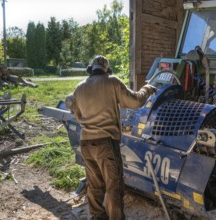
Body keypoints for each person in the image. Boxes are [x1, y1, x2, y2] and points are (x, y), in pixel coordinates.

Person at [65, 55, 156, 220]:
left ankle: (98, 218)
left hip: (85, 143)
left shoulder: (79, 87)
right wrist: (147, 89)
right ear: (107, 70)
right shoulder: (112, 81)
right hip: (106, 143)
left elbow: (73, 109)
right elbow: (135, 101)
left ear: (90, 69)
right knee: (114, 186)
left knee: (94, 185)